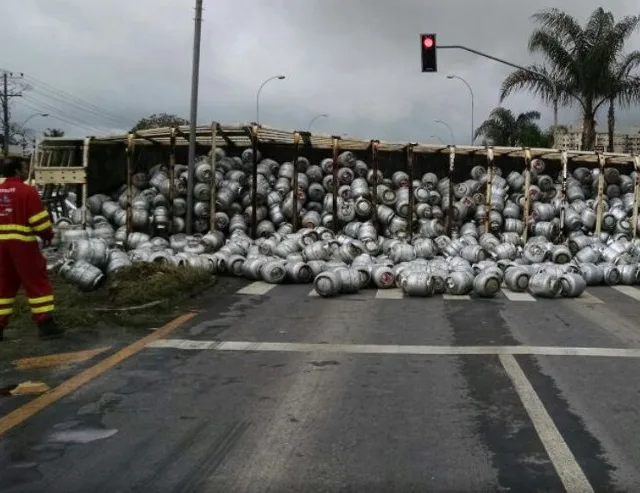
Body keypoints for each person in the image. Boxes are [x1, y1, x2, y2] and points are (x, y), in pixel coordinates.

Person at [0, 157, 64, 340]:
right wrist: (47, 236)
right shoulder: (26, 191)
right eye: (25, 167)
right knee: (36, 282)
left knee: (3, 286)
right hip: (22, 245)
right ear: (18, 171)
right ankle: (45, 325)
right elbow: (40, 221)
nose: (27, 170)